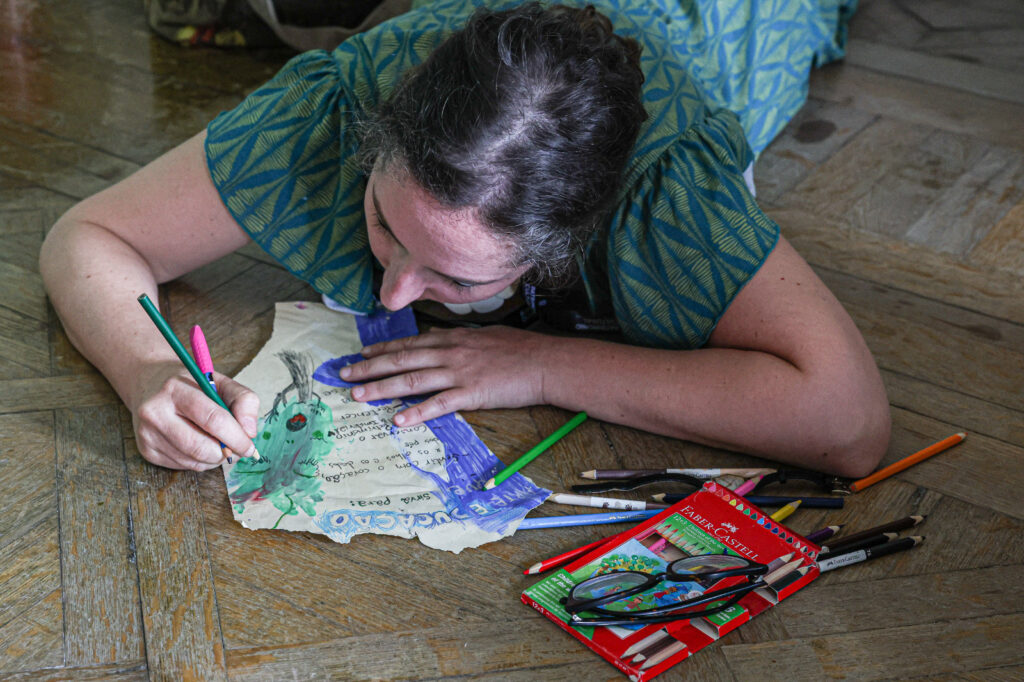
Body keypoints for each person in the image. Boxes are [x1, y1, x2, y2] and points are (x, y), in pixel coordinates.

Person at [40, 0, 890, 478]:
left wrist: (543, 364)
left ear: (567, 253)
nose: (393, 295)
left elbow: (848, 421)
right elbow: (90, 234)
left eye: (453, 278)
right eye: (382, 223)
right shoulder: (334, 109)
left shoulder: (666, 198)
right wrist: (145, 368)